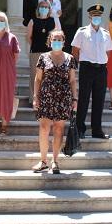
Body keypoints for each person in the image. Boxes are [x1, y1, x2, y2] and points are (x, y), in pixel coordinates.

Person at [32, 30, 78, 174]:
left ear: (64, 42)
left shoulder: (70, 59)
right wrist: (36, 97)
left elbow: (72, 80)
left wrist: (75, 99)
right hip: (46, 97)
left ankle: (55, 161)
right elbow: (38, 79)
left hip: (63, 98)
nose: (56, 41)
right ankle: (43, 161)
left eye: (59, 39)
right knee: (44, 128)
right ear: (50, 41)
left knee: (59, 129)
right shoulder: (43, 57)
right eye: (54, 39)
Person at [71, 4, 112, 140]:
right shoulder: (82, 32)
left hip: (101, 69)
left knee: (99, 100)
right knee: (83, 99)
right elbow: (75, 50)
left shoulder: (105, 34)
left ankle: (97, 130)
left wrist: (101, 61)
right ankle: (80, 129)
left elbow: (109, 52)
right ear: (90, 17)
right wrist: (82, 63)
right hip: (87, 68)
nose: (96, 18)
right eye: (94, 16)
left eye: (99, 16)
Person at [27, 0, 57, 98]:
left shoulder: (52, 21)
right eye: (42, 7)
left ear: (49, 9)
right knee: (34, 76)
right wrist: (35, 45)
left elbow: (55, 36)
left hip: (49, 53)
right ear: (38, 8)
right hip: (35, 52)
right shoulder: (33, 21)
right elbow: (28, 37)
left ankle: (46, 98)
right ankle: (34, 99)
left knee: (48, 77)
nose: (44, 8)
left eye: (46, 7)